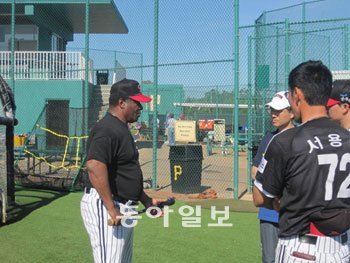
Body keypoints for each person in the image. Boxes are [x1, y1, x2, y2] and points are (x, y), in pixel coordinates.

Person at [253, 60, 350, 262]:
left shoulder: (285, 140)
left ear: (297, 94)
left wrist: (284, 199)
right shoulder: (347, 137)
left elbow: (259, 198)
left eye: (289, 94)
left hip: (301, 249)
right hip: (342, 248)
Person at [80, 78, 165, 263]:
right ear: (121, 102)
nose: (140, 108)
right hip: (107, 205)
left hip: (123, 206)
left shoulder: (120, 128)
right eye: (137, 103)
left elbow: (123, 174)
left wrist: (147, 201)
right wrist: (111, 208)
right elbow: (94, 165)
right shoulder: (107, 128)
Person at [252, 91, 294, 263]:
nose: (273, 114)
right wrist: (275, 194)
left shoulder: (301, 137)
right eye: (272, 110)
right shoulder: (269, 138)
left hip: (293, 214)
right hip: (269, 213)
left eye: (279, 110)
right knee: (269, 259)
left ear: (291, 113)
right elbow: (255, 170)